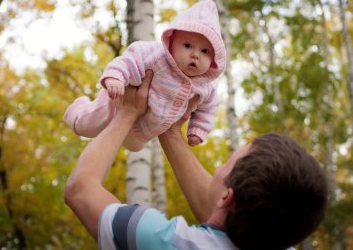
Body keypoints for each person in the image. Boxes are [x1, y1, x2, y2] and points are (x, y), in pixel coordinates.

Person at [64, 71, 328, 250]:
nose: (219, 168)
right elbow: (224, 216)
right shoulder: (280, 236)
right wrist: (168, 127)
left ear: (227, 198)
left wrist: (127, 112)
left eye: (226, 163)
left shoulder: (169, 242)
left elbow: (80, 190)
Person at [63, 0, 226, 151]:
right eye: (188, 45)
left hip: (144, 129)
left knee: (135, 147)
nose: (195, 55)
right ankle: (78, 111)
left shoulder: (207, 87)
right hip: (117, 101)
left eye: (205, 51)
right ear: (172, 43)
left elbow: (208, 109)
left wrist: (198, 130)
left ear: (213, 59)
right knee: (89, 125)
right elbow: (129, 60)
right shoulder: (155, 56)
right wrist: (116, 77)